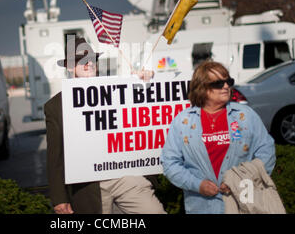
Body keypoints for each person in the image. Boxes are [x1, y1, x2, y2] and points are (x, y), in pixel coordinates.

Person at [45, 37, 166, 214]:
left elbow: (146, 100)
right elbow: (55, 156)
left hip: (125, 175)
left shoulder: (115, 90)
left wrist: (147, 81)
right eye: (81, 61)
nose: (89, 64)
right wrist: (59, 198)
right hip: (89, 185)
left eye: (92, 59)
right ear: (70, 67)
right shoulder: (56, 106)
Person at [160, 60, 276, 214]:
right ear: (201, 88)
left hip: (244, 204)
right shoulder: (182, 121)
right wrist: (197, 185)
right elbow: (170, 163)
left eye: (228, 81)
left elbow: (266, 151)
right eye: (218, 83)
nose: (226, 86)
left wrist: (241, 180)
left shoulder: (245, 115)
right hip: (201, 207)